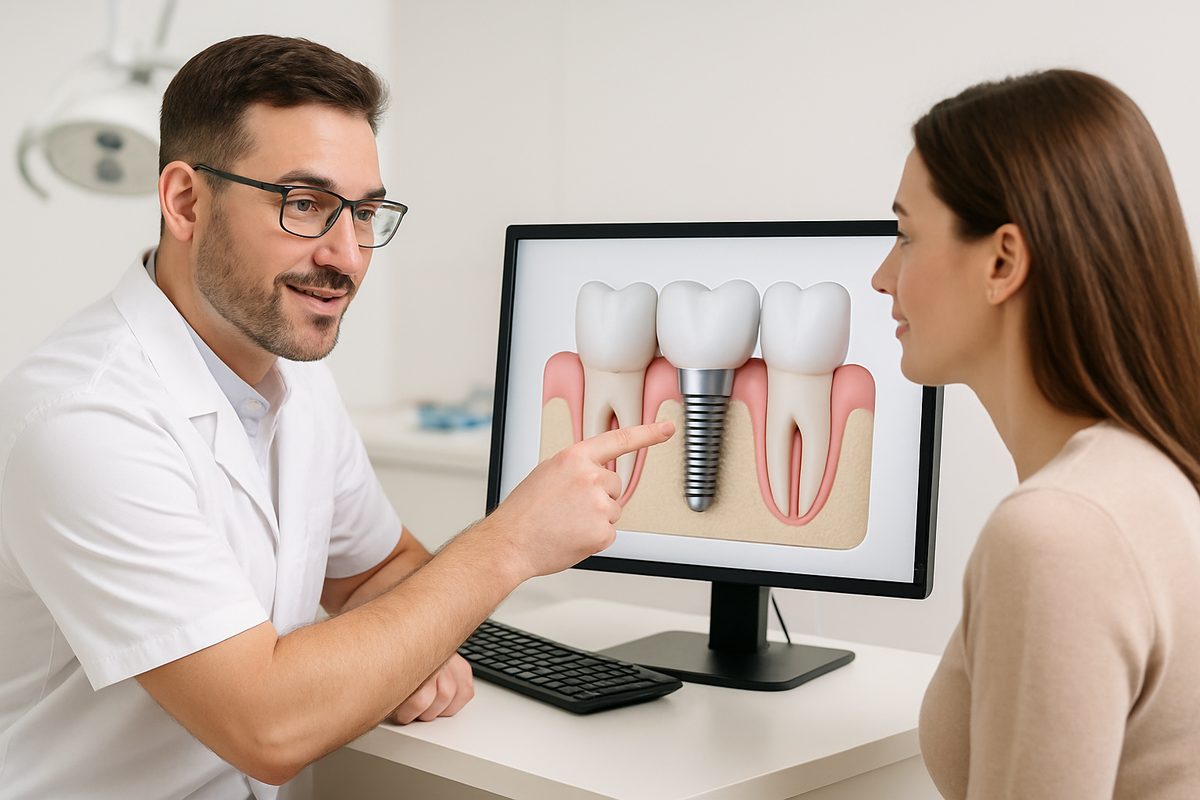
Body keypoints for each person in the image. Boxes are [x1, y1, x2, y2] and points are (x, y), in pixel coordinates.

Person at [0, 35, 673, 799]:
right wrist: (511, 542)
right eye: (306, 205)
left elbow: (382, 574)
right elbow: (269, 727)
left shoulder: (289, 377)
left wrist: (407, 651)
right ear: (186, 201)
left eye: (366, 212)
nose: (347, 255)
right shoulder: (85, 419)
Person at [871, 69, 1200, 799]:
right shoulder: (1144, 478)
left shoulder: (1057, 536)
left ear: (1003, 261)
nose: (881, 276)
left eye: (904, 236)